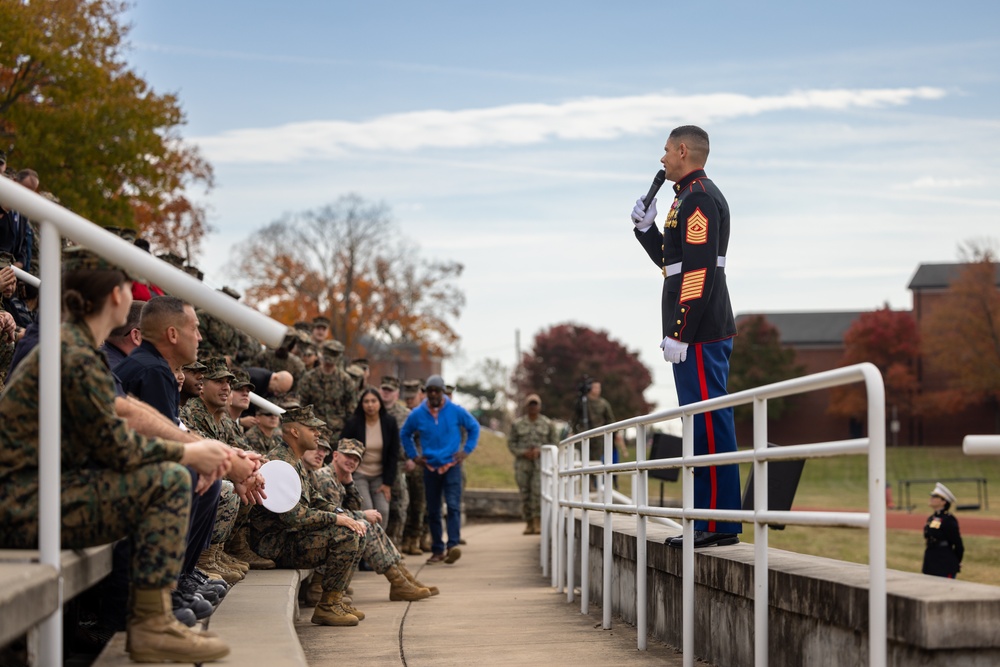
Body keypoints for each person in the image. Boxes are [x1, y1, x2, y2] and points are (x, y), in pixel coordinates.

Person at [0, 247, 231, 662]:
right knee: (168, 481)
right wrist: (190, 456)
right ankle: (147, 623)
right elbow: (117, 447)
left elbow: (116, 428)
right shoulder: (68, 351)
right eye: (127, 286)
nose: (133, 294)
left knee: (166, 477)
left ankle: (150, 619)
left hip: (34, 497)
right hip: (23, 506)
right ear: (113, 297)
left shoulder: (76, 346)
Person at [631, 124, 741, 549]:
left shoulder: (698, 197)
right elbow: (672, 260)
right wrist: (647, 230)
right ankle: (708, 518)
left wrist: (680, 331)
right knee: (697, 422)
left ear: (682, 150)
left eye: (665, 151)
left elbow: (699, 272)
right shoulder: (686, 197)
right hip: (696, 327)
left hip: (700, 329)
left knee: (709, 422)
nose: (661, 160)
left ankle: (718, 520)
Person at [400, 374, 480, 564]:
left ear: (443, 392)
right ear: (425, 393)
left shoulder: (455, 410)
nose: (434, 394)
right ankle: (437, 549)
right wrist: (414, 455)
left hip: (452, 465)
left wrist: (466, 451)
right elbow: (405, 433)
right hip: (429, 466)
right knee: (433, 509)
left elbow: (474, 427)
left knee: (452, 506)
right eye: (430, 391)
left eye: (437, 391)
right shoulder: (418, 414)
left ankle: (452, 545)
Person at [341, 387, 400, 530]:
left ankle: (381, 545)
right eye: (366, 401)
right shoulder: (354, 423)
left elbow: (394, 454)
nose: (370, 405)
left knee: (383, 511)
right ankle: (368, 547)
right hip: (359, 474)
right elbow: (342, 447)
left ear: (379, 403)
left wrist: (388, 483)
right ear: (361, 404)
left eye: (373, 401)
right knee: (366, 510)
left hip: (380, 476)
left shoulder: (389, 423)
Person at [508, 394, 559, 535]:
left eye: (535, 404)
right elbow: (511, 443)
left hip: (540, 465)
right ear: (527, 406)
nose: (533, 407)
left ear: (540, 406)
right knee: (525, 493)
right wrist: (523, 452)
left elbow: (555, 443)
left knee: (537, 493)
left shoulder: (547, 424)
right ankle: (528, 522)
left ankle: (538, 522)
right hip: (523, 465)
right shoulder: (517, 424)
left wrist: (540, 451)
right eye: (531, 404)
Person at [922, 483, 964, 578]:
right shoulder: (931, 518)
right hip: (930, 560)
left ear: (943, 501)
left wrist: (956, 561)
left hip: (944, 562)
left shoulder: (949, 519)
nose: (931, 498)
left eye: (935, 496)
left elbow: (958, 544)